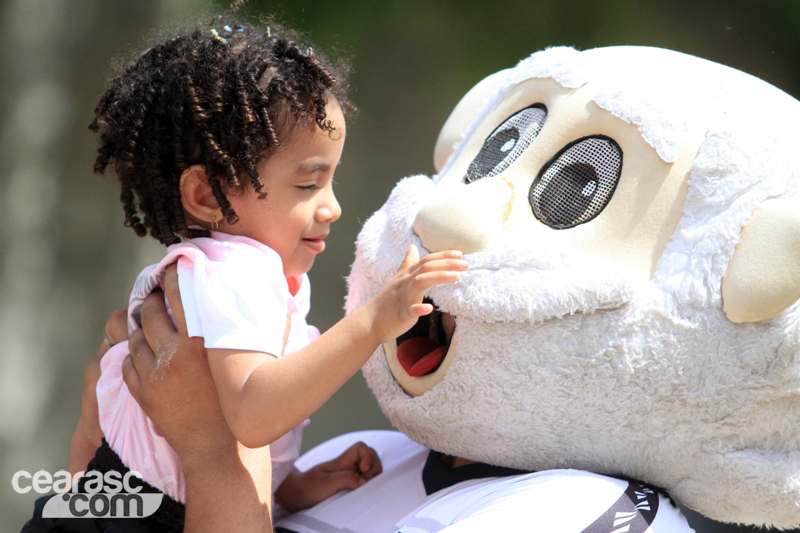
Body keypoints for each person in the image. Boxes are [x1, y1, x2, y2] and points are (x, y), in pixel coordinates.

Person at [23, 19, 466, 532]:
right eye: (307, 184)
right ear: (208, 196)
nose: (333, 208)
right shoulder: (235, 272)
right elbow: (251, 414)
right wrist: (372, 322)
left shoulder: (224, 273)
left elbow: (196, 434)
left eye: (332, 180)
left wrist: (289, 485)